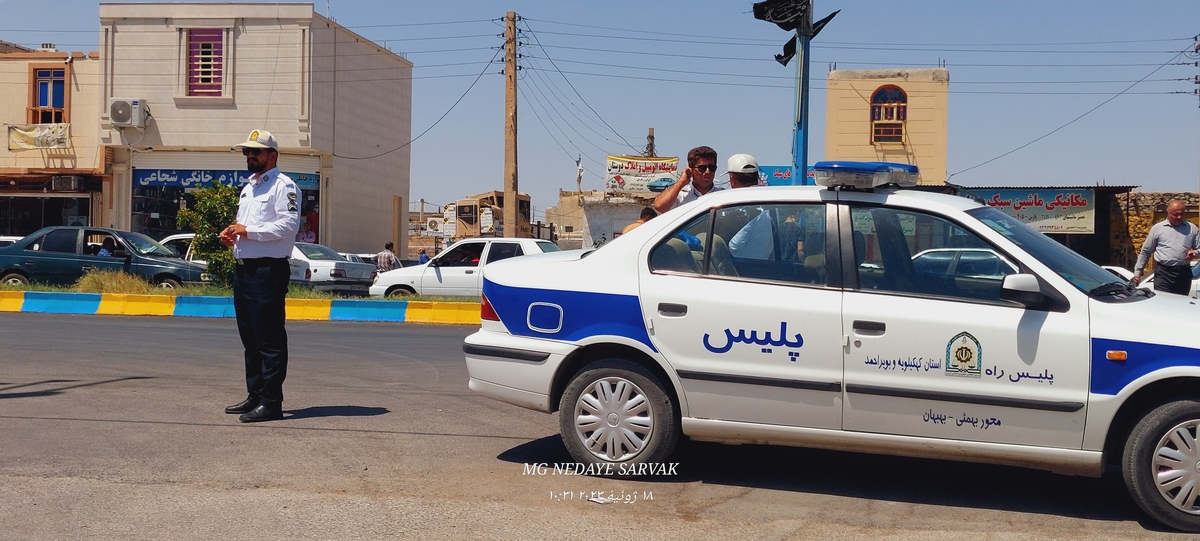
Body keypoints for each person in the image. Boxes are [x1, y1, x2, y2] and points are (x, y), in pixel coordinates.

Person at [219, 130, 300, 423]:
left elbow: (287, 227)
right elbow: (246, 226)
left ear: (272, 155)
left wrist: (248, 232)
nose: (250, 156)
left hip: (268, 271)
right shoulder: (249, 187)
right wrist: (232, 235)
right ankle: (255, 394)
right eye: (247, 152)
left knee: (269, 339)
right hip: (244, 270)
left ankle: (271, 402)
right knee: (250, 338)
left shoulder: (284, 186)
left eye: (256, 152)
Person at [1133, 199, 1200, 295]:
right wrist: (1137, 273)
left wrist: (1195, 253)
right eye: (1175, 214)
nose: (1179, 217)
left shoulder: (1192, 229)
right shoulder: (1158, 229)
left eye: (1181, 214)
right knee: (1163, 302)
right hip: (1164, 273)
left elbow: (1199, 249)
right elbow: (1146, 251)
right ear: (1168, 213)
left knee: (1180, 303)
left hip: (1183, 273)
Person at [653, 146, 723, 214]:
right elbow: (659, 206)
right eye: (702, 168)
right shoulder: (681, 196)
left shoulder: (723, 195)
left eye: (712, 168)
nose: (708, 171)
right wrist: (681, 182)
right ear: (691, 170)